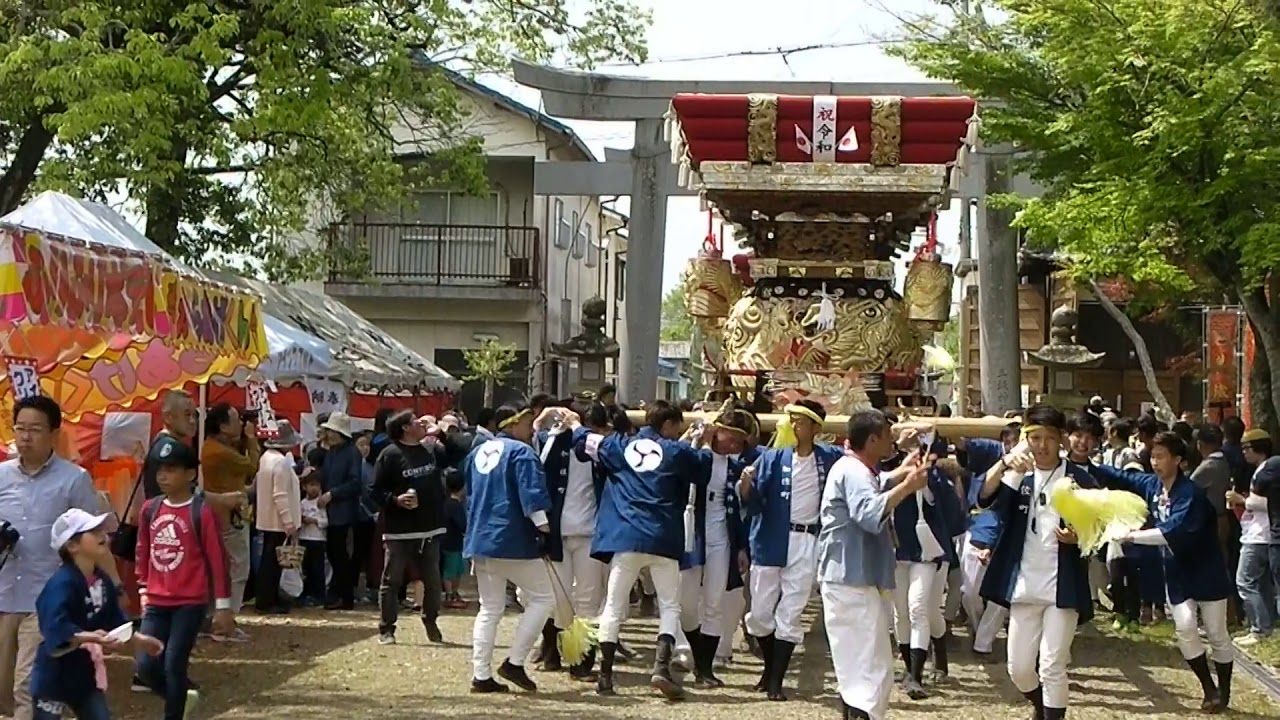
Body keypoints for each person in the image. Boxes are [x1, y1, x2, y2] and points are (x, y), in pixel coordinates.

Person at [1094, 432, 1235, 711]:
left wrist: (1132, 536)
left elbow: (1173, 533)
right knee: (1184, 627)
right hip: (1176, 570)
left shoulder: (1190, 493)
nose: (1155, 463)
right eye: (1153, 457)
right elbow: (1122, 478)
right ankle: (1208, 687)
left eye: (1161, 457)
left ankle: (1225, 689)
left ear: (1179, 460)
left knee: (1217, 632)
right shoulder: (1152, 485)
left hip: (1206, 569)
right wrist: (1086, 464)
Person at [573, 401, 701, 699]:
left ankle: (605, 676)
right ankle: (660, 668)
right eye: (676, 427)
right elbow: (701, 469)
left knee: (613, 607)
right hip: (662, 537)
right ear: (668, 425)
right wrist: (698, 443)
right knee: (669, 606)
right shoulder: (677, 451)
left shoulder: (617, 445)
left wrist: (572, 423)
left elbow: (583, 440)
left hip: (625, 536)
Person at [977, 404, 1097, 720]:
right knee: (1018, 668)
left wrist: (1079, 537)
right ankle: (1041, 706)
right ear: (1026, 438)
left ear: (1062, 440)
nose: (1042, 446)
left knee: (1052, 664)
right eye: (1035, 437)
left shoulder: (1079, 478)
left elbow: (1099, 528)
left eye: (1050, 438)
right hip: (1024, 584)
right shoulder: (1019, 474)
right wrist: (1004, 463)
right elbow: (984, 497)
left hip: (1063, 586)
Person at [0, 395, 113, 720]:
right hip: (4, 594)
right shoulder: (2, 476)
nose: (25, 437)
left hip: (47, 600)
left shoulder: (74, 479)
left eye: (34, 429)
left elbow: (94, 540)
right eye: (20, 428)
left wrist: (109, 590)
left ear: (54, 433)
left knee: (29, 687)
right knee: (4, 688)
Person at [820, 410, 930, 720]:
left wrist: (900, 474)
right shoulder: (853, 471)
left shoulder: (856, 468)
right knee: (867, 663)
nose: (891, 440)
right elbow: (869, 514)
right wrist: (908, 486)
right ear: (871, 440)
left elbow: (877, 482)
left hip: (853, 575)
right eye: (886, 435)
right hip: (852, 577)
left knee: (864, 660)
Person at [738, 400, 845, 701]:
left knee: (791, 610)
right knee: (759, 614)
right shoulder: (771, 458)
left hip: (807, 539)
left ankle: (775, 680)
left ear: (814, 427)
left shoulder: (831, 458)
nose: (794, 425)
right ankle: (770, 668)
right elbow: (751, 498)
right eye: (793, 420)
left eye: (801, 421)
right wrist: (746, 484)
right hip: (770, 538)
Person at [32, 509, 164, 720]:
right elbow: (54, 628)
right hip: (53, 676)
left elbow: (114, 623)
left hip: (84, 675)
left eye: (101, 530)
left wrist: (140, 640)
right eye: (92, 532)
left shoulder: (102, 580)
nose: (102, 535)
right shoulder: (61, 584)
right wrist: (91, 637)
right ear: (72, 545)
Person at [135, 440, 234, 720]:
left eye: (172, 469)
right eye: (160, 470)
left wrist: (223, 607)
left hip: (189, 603)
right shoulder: (150, 509)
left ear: (191, 475)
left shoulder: (201, 512)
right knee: (145, 666)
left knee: (173, 664)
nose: (163, 476)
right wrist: (143, 587)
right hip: (156, 600)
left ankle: (173, 714)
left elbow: (218, 560)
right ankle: (179, 698)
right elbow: (143, 549)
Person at [465, 404, 557, 694]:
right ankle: (515, 662)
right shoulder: (522, 453)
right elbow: (532, 498)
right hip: (512, 538)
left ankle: (481, 674)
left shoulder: (476, 453)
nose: (531, 430)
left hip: (481, 538)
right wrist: (545, 529)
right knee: (544, 598)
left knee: (489, 609)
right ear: (513, 424)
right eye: (528, 424)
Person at [676, 406, 754, 689]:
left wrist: (742, 547)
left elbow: (738, 511)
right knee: (685, 602)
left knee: (714, 603)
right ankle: (690, 652)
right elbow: (673, 458)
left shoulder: (735, 468)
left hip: (721, 537)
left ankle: (705, 668)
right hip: (691, 535)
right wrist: (696, 439)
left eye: (738, 440)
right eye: (728, 436)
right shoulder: (696, 457)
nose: (733, 444)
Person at [532, 401, 606, 680]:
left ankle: (582, 662)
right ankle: (552, 652)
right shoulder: (550, 443)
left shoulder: (594, 446)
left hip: (589, 533)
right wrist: (541, 421)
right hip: (557, 534)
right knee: (557, 599)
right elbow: (534, 448)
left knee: (588, 600)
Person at [372, 410, 456, 645]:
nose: (421, 423)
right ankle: (386, 628)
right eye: (415, 421)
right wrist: (395, 500)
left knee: (432, 580)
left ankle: (431, 621)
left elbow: (456, 453)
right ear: (405, 429)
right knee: (392, 579)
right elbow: (374, 490)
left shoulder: (430, 450)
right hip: (399, 530)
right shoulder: (389, 455)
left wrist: (442, 433)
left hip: (430, 527)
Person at [199, 403, 261, 637]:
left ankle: (214, 618)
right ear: (223, 426)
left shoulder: (213, 447)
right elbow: (252, 465)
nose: (240, 424)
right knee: (238, 567)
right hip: (229, 517)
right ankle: (227, 620)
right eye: (235, 419)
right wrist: (252, 438)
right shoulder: (219, 452)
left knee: (220, 567)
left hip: (221, 515)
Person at [316, 412, 365, 610]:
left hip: (343, 511)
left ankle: (345, 597)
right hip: (331, 509)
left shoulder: (351, 452)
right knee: (335, 553)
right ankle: (339, 594)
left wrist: (332, 494)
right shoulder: (331, 452)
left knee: (340, 554)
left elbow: (355, 482)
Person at [253, 421, 303, 614]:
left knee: (269, 561)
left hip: (267, 518)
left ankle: (267, 597)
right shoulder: (281, 462)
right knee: (273, 563)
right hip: (277, 521)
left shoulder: (266, 457)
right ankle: (267, 600)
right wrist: (288, 521)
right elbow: (280, 494)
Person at [298, 472, 328, 607]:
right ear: (304, 487)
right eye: (311, 485)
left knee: (318, 568)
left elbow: (326, 521)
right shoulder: (302, 503)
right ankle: (306, 593)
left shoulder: (321, 503)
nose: (314, 488)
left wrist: (314, 521)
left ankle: (319, 595)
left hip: (318, 539)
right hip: (304, 538)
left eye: (317, 485)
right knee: (306, 568)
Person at [442, 468, 468, 609]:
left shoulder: (448, 503)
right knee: (451, 570)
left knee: (457, 569)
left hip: (454, 543)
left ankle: (454, 593)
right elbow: (462, 524)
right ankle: (449, 595)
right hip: (451, 543)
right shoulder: (454, 505)